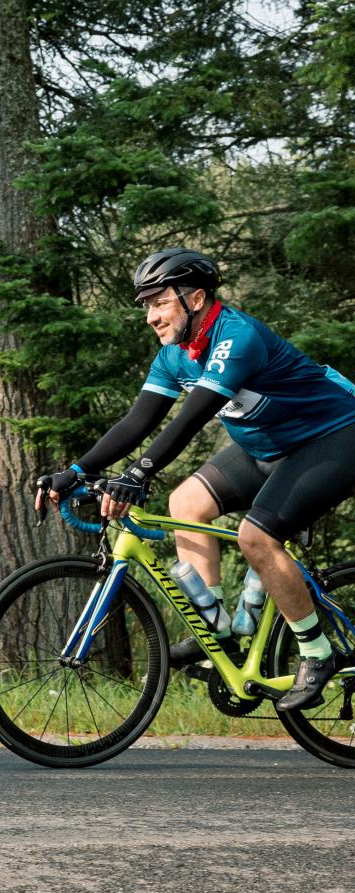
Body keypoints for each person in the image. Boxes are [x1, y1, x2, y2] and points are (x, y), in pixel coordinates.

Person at [38, 247, 355, 712]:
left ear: (196, 298)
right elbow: (136, 422)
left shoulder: (236, 336)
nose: (150, 317)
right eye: (146, 305)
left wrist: (138, 472)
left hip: (336, 436)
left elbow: (189, 419)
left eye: (158, 302)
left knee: (257, 537)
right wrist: (75, 471)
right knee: (186, 503)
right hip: (268, 447)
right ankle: (218, 634)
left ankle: (316, 652)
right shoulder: (175, 355)